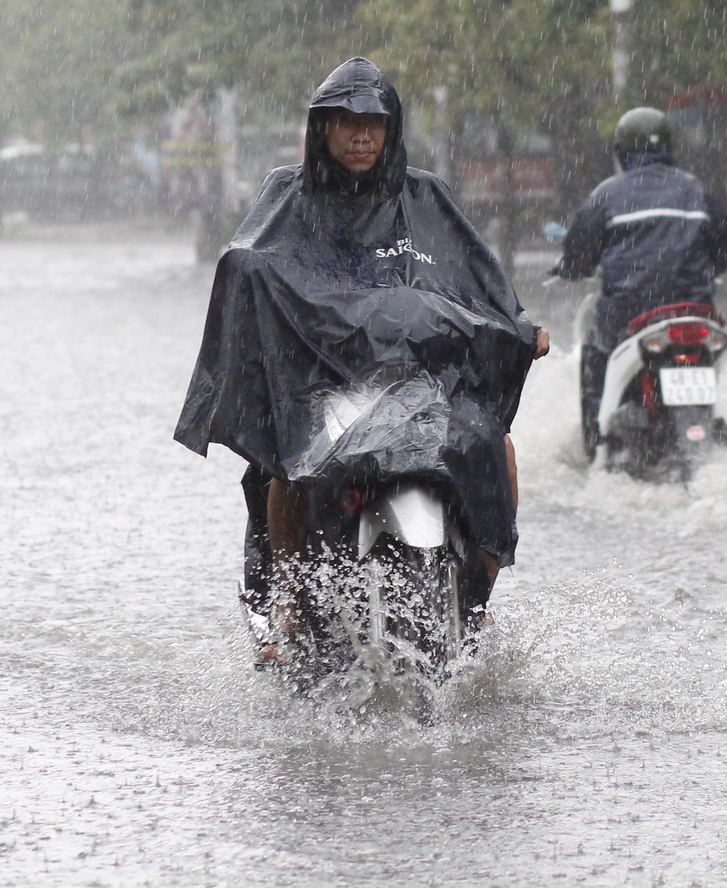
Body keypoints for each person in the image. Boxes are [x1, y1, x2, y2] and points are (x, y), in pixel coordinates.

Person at [173, 57, 549, 662]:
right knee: (289, 466)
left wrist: (520, 326)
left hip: (423, 386)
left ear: (391, 129)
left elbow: (481, 282)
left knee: (497, 449)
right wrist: (249, 281)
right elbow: (250, 255)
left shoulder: (425, 197)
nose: (360, 136)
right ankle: (292, 614)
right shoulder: (287, 196)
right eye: (345, 122)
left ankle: (475, 612)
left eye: (372, 124)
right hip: (327, 384)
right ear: (323, 128)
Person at [553, 107, 727, 459]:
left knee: (594, 352)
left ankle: (596, 448)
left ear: (622, 151)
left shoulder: (607, 194)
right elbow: (722, 252)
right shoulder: (698, 190)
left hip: (629, 315)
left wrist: (568, 268)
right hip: (695, 313)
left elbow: (577, 259)